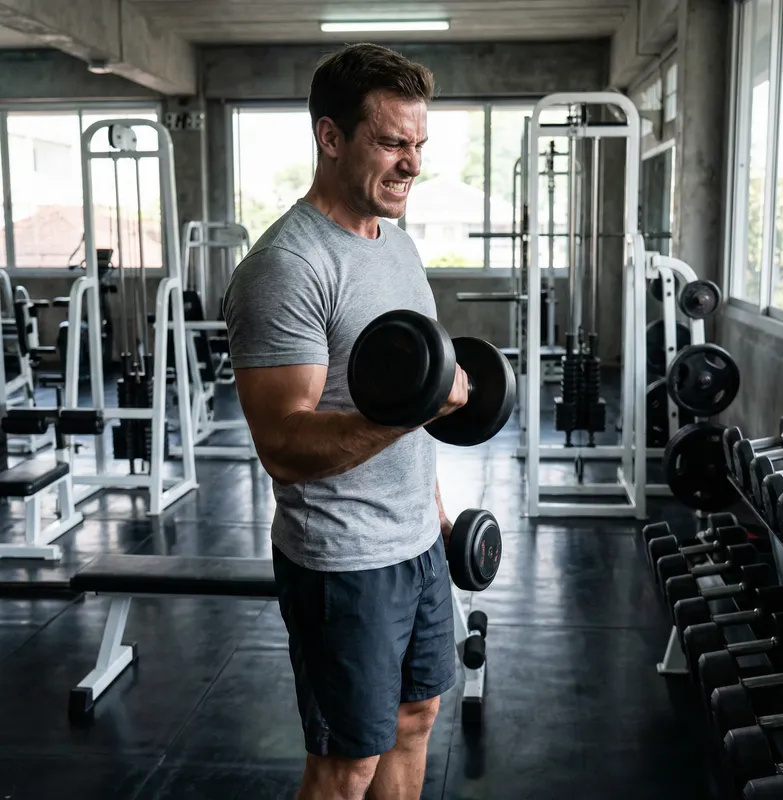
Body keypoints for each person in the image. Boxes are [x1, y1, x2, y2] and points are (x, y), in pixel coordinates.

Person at [223, 42, 468, 800]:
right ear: (331, 137)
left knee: (417, 717)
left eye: (419, 143)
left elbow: (407, 397)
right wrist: (414, 411)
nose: (412, 164)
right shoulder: (288, 267)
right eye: (392, 142)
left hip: (416, 545)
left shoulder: (395, 242)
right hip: (342, 562)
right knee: (346, 763)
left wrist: (435, 517)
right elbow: (285, 446)